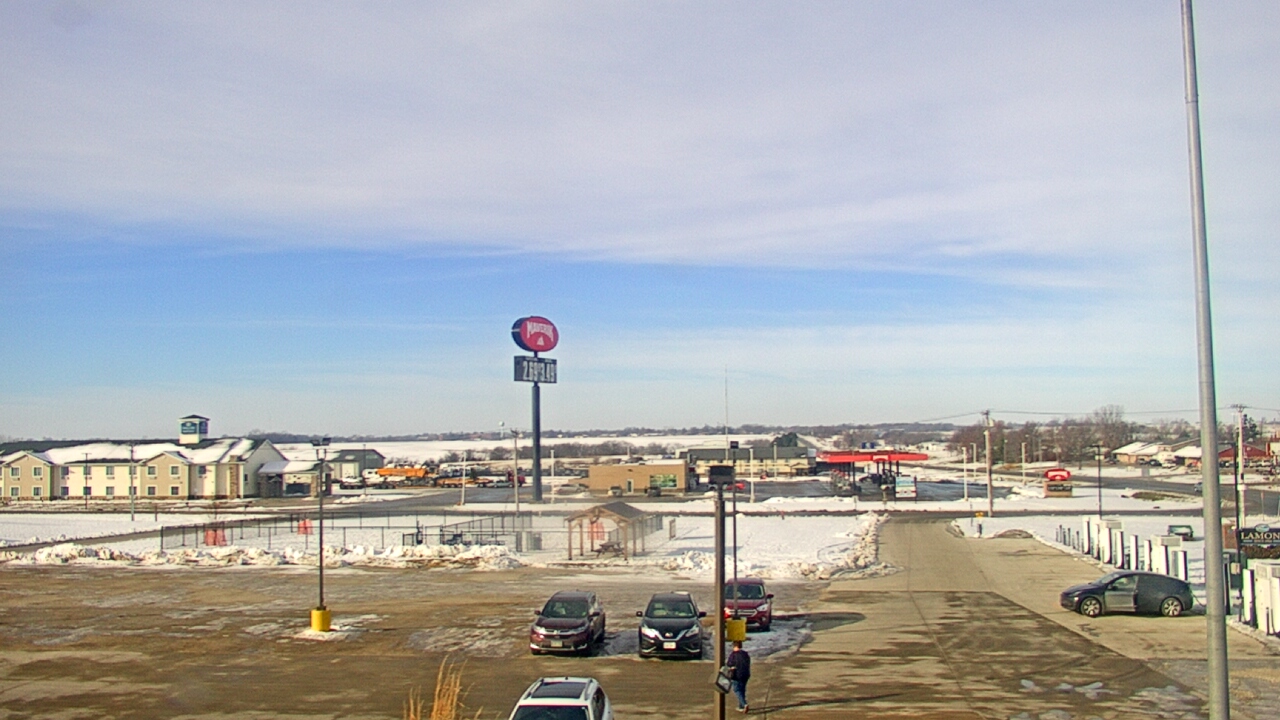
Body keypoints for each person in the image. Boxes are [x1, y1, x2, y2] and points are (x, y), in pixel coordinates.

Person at [726, 640, 751, 713]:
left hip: (737, 675)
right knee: (742, 690)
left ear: (735, 646)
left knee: (737, 690)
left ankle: (744, 704)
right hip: (746, 674)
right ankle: (741, 706)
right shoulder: (745, 654)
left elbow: (729, 664)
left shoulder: (733, 655)